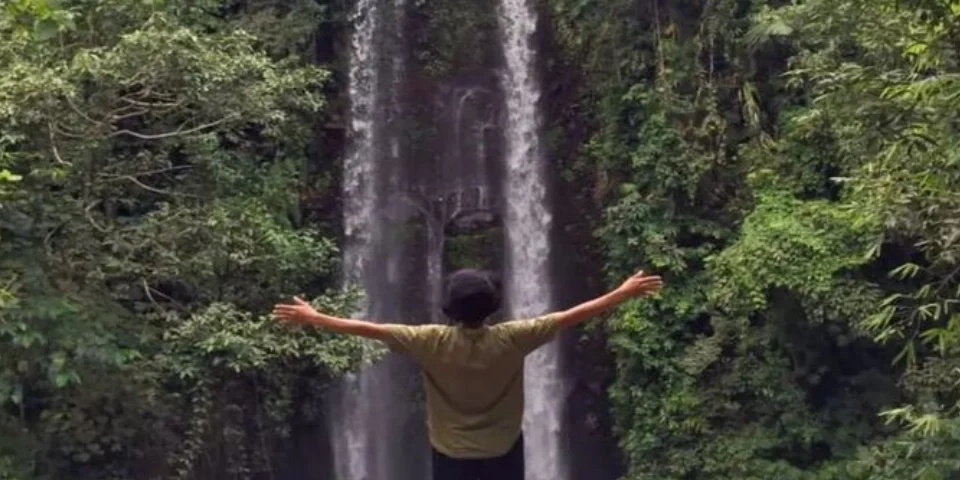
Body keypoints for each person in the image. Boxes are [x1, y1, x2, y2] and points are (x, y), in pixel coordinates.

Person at [272, 268, 662, 480]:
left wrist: (314, 317)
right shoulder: (515, 338)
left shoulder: (428, 341)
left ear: (449, 308)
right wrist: (622, 292)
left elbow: (370, 329)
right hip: (504, 452)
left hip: (450, 456)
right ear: (492, 306)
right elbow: (571, 316)